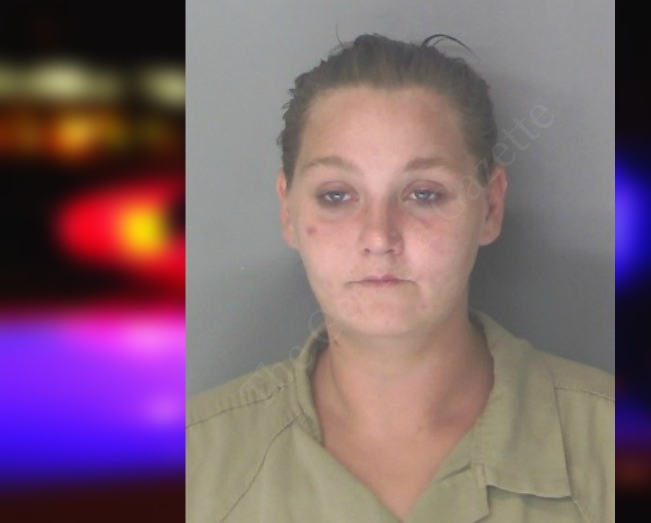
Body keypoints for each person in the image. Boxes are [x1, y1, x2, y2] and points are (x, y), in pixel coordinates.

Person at [186, 33, 614, 523]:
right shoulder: (189, 467)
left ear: (491, 206)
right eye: (337, 195)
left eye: (424, 194)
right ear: (288, 210)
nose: (379, 236)